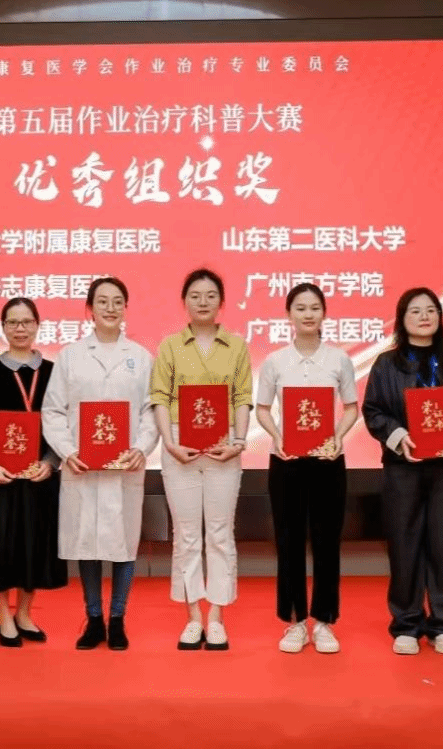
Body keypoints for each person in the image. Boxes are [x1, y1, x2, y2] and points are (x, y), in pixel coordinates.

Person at [42, 277, 158, 651]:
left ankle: (118, 619)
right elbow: (53, 410)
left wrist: (141, 447)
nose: (110, 308)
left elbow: (151, 411)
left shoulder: (140, 357)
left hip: (124, 467)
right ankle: (94, 619)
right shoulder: (71, 356)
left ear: (125, 308)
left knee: (123, 543)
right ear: (90, 309)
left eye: (117, 301)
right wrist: (67, 450)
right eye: (103, 301)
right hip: (83, 467)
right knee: (87, 542)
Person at [362, 287, 443, 656]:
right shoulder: (387, 364)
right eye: (415, 311)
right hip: (403, 468)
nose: (424, 316)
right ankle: (407, 624)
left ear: (440, 317)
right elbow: (373, 410)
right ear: (402, 318)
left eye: (431, 310)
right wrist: (398, 436)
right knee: (404, 544)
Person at [149, 268, 252, 651]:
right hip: (180, 448)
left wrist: (239, 441)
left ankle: (217, 617)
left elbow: (242, 397)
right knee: (187, 535)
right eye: (195, 295)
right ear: (185, 302)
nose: (203, 302)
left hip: (225, 445)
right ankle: (193, 617)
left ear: (221, 301)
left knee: (221, 533)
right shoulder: (170, 346)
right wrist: (169, 443)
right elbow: (160, 397)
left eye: (210, 295)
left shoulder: (236, 345)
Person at [254, 283, 360, 654]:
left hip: (328, 460)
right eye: (300, 308)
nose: (308, 314)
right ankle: (296, 622)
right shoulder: (275, 361)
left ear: (324, 313)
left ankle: (325, 621)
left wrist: (338, 436)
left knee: (327, 541)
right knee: (289, 541)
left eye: (315, 307)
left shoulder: (339, 359)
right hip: (286, 461)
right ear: (289, 315)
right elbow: (262, 408)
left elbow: (351, 407)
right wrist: (277, 436)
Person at [0, 297, 68, 647]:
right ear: (3, 327)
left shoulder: (54, 372)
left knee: (33, 547)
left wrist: (51, 462)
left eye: (26, 322)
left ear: (37, 325)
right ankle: (3, 617)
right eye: (13, 322)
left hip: (39, 474)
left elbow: (61, 422)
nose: (20, 328)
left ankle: (24, 613)